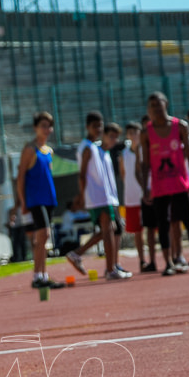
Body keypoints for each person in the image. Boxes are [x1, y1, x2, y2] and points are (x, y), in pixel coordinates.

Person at [138, 92, 189, 276]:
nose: (156, 108)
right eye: (152, 106)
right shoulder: (145, 133)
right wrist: (145, 188)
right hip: (159, 186)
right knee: (163, 224)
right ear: (148, 110)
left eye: (159, 104)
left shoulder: (180, 126)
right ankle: (168, 263)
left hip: (180, 183)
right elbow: (145, 163)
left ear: (166, 104)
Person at [14, 111, 64, 290]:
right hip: (35, 198)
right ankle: (37, 275)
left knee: (43, 237)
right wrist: (22, 201)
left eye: (49, 126)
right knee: (43, 235)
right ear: (36, 128)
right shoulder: (29, 149)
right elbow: (20, 177)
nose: (47, 129)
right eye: (43, 125)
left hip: (48, 197)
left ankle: (43, 274)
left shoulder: (48, 150)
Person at [75, 112, 127, 281]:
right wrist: (82, 196)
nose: (98, 129)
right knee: (108, 231)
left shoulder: (95, 148)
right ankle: (110, 268)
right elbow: (82, 174)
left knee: (110, 230)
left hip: (106, 197)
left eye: (100, 125)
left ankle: (109, 266)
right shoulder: (88, 148)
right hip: (98, 197)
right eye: (95, 126)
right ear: (87, 127)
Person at [119, 121, 154, 271]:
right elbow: (123, 175)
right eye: (130, 133)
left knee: (152, 229)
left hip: (147, 195)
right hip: (131, 197)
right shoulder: (124, 154)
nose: (133, 136)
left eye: (136, 132)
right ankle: (142, 260)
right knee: (137, 232)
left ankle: (155, 259)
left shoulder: (147, 151)